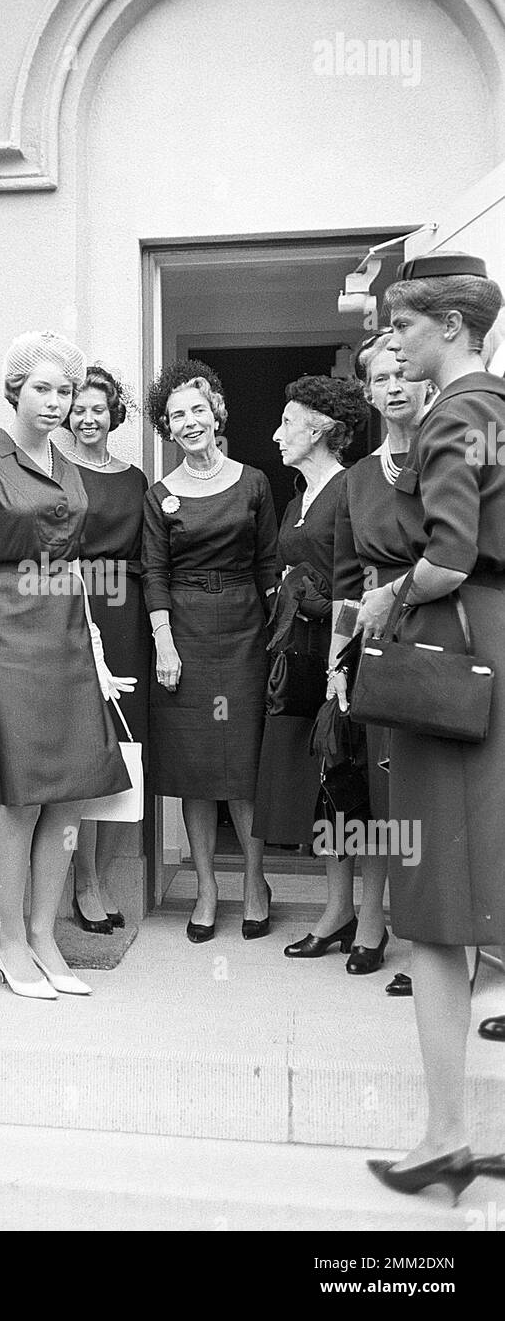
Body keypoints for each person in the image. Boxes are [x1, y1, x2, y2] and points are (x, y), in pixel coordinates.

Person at [359, 253, 505, 1196]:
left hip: (450, 664)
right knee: (484, 885)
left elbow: (448, 557)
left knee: (436, 909)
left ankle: (446, 1137)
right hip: (496, 650)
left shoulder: (455, 412)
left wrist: (383, 601)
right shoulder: (502, 406)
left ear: (448, 326)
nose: (395, 349)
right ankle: (453, 1136)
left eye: (405, 330)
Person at [0, 331, 134, 999]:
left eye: (65, 390)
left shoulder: (68, 467)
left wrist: (99, 651)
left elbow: (78, 569)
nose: (56, 402)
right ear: (15, 390)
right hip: (5, 633)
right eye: (43, 389)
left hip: (65, 639)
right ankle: (9, 939)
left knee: (72, 791)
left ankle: (46, 935)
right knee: (22, 793)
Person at [143, 361, 278, 943]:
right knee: (195, 771)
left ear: (216, 412)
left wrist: (278, 640)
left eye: (198, 409)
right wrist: (164, 645)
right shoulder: (160, 495)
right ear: (167, 429)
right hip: (187, 634)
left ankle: (255, 883)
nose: (189, 422)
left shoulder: (254, 483)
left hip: (248, 628)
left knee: (245, 767)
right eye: (177, 416)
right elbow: (154, 574)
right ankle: (205, 888)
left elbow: (270, 564)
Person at [250, 374, 369, 958]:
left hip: (337, 659)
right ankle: (338, 908)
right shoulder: (297, 500)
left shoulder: (350, 491)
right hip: (296, 656)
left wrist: (338, 665)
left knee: (346, 782)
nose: (276, 435)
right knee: (318, 784)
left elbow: (353, 588)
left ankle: (356, 916)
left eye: (288, 423)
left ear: (320, 428)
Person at [326, 333, 430, 974]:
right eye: (379, 379)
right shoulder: (358, 478)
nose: (393, 386)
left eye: (402, 373)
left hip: (440, 631)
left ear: (424, 378)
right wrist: (339, 663)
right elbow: (345, 580)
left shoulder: (450, 456)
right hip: (374, 645)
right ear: (367, 393)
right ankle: (371, 924)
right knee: (382, 795)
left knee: (434, 794)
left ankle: (437, 947)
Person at [63, 365, 149, 933]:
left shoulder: (135, 478)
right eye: (79, 408)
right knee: (86, 750)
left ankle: (106, 873)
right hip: (72, 610)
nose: (89, 418)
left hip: (129, 617)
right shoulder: (52, 469)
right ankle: (81, 884)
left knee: (129, 749)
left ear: (113, 413)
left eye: (99, 408)